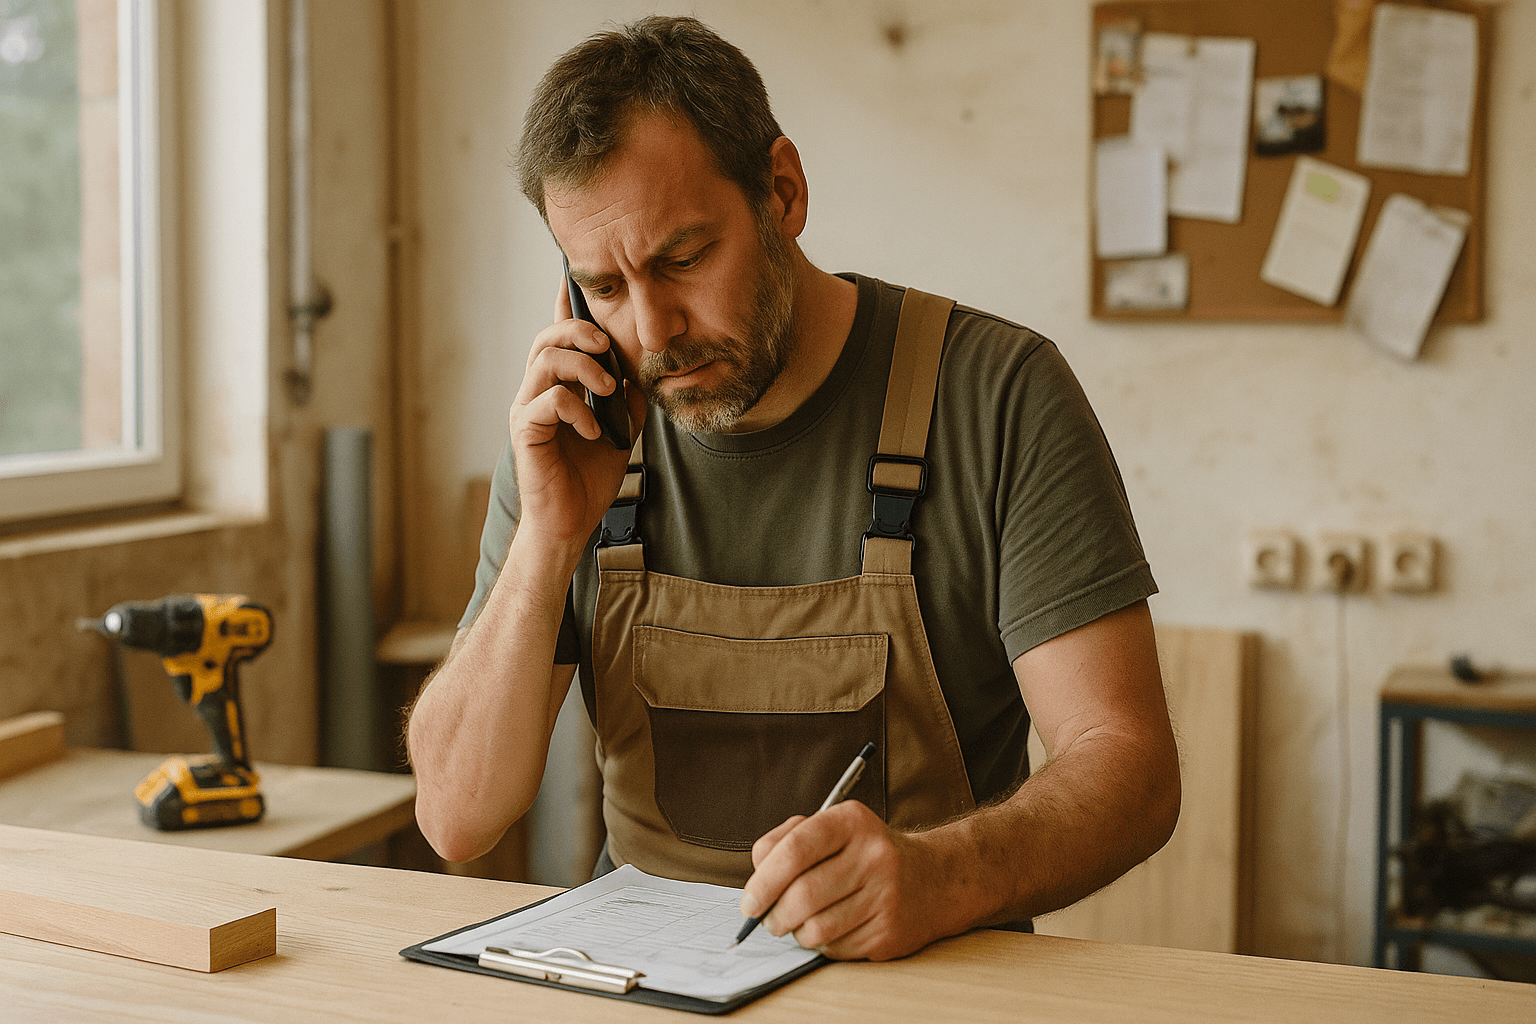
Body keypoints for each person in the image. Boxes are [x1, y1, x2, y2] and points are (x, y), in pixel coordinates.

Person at [407, 15, 1179, 963]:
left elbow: (1131, 769)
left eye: (684, 259)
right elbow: (456, 819)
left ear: (783, 191)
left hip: (927, 979)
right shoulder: (576, 433)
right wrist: (548, 540)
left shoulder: (996, 395)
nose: (654, 331)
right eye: (603, 285)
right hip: (647, 984)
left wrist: (947, 875)